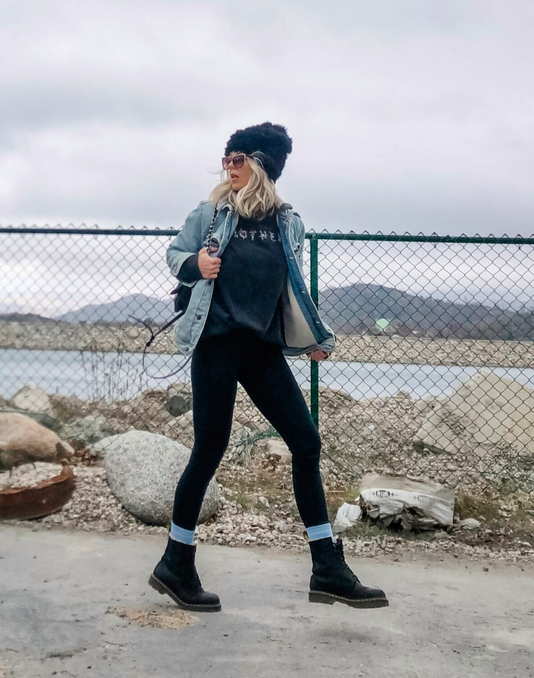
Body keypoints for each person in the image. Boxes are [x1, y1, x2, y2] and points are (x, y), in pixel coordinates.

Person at [150, 122, 388, 612]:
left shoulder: (288, 223)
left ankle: (327, 567)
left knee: (306, 441)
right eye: (226, 159)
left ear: (263, 166)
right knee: (209, 450)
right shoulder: (210, 212)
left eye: (239, 159)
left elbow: (291, 291)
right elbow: (174, 255)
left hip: (262, 350)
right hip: (216, 344)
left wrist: (311, 341)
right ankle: (176, 560)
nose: (228, 167)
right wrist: (197, 263)